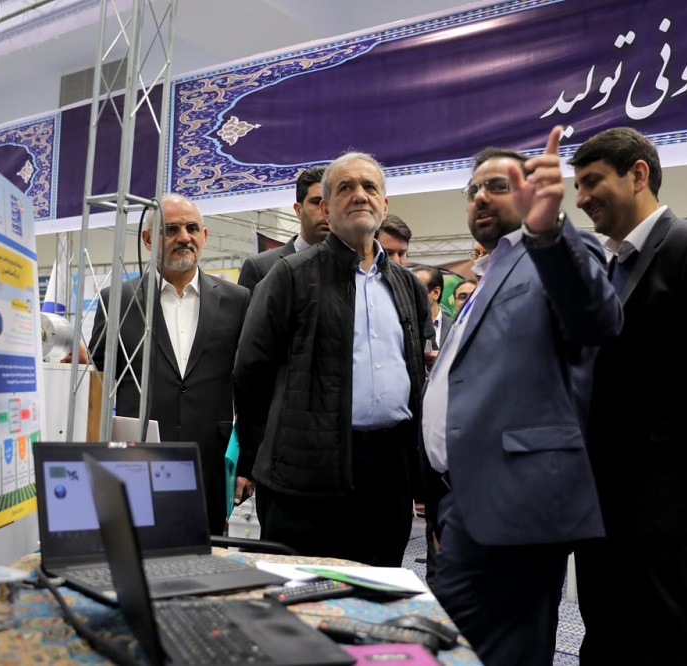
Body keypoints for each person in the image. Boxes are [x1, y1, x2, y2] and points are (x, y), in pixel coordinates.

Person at [421, 126, 622, 666]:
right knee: (479, 650)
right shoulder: (487, 275)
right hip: (465, 499)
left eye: (497, 185)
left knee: (481, 650)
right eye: (473, 190)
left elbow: (595, 318)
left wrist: (549, 231)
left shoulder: (553, 252)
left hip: (515, 503)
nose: (481, 197)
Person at [571, 127, 687, 666]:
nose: (580, 199)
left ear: (638, 175)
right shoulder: (605, 264)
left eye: (591, 182)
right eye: (577, 186)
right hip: (608, 510)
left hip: (679, 516)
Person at [233, 151, 433, 566]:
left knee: (378, 592)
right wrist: (266, 458)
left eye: (369, 187)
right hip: (306, 482)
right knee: (305, 596)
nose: (359, 195)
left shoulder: (408, 287)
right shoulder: (290, 276)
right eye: (345, 188)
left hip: (388, 477)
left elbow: (415, 377)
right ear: (325, 208)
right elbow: (251, 374)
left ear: (384, 205)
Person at [88, 193, 251, 534]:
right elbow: (98, 383)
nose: (184, 237)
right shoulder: (117, 300)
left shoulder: (237, 300)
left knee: (207, 554)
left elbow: (251, 385)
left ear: (204, 236)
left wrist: (248, 461)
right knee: (140, 547)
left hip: (210, 460)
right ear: (148, 240)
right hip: (137, 461)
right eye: (171, 229)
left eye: (192, 228)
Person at [238, 166, 328, 291]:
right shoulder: (260, 268)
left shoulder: (351, 266)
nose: (326, 210)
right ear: (298, 210)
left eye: (332, 204)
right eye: (316, 202)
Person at [412, 265, 449, 347]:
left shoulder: (456, 327)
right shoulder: (405, 328)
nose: (410, 295)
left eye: (416, 290)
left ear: (436, 293)